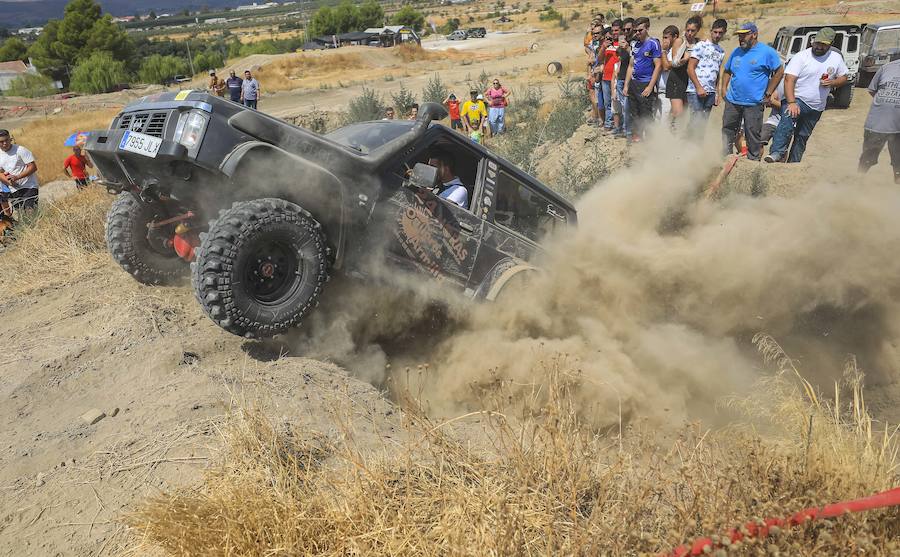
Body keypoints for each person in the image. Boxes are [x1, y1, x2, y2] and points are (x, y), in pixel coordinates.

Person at [764, 28, 848, 163]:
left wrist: (833, 82)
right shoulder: (802, 56)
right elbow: (789, 79)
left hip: (817, 106)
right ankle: (776, 153)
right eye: (817, 43)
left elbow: (844, 77)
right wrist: (791, 102)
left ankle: (794, 163)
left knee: (803, 135)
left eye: (823, 44)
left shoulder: (836, 58)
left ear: (830, 44)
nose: (819, 47)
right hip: (797, 99)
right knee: (786, 123)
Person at [721, 22, 784, 160]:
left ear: (754, 34)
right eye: (739, 36)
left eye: (744, 35)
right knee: (728, 130)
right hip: (733, 100)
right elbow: (727, 70)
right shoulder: (736, 52)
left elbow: (779, 71)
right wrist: (723, 89)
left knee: (753, 134)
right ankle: (725, 158)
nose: (741, 39)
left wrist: (769, 92)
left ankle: (752, 162)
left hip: (754, 102)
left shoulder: (767, 52)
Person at [858, 59, 900, 184]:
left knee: (899, 161)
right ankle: (857, 183)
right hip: (877, 123)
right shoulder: (887, 67)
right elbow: (872, 90)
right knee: (867, 157)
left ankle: (896, 191)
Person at [686, 18, 727, 139]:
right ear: (711, 31)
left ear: (724, 33)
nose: (717, 35)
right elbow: (690, 68)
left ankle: (697, 147)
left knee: (703, 122)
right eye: (715, 32)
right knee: (696, 119)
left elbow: (717, 72)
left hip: (710, 91)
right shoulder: (701, 46)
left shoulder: (721, 51)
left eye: (720, 33)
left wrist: (717, 93)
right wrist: (699, 87)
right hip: (695, 90)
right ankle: (686, 146)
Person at [624, 17, 662, 142]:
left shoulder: (653, 43)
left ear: (647, 28)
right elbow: (631, 65)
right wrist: (626, 85)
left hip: (646, 83)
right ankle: (637, 137)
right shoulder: (634, 44)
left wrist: (650, 86)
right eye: (635, 31)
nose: (637, 33)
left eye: (640, 30)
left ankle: (650, 140)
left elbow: (658, 66)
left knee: (646, 113)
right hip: (634, 83)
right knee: (634, 112)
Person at [666, 17, 701, 123]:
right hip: (676, 78)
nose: (689, 33)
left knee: (685, 112)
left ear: (697, 30)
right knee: (678, 112)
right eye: (688, 30)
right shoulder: (680, 41)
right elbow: (674, 63)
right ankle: (668, 131)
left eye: (693, 30)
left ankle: (675, 131)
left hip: (689, 80)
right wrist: (686, 58)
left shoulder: (698, 43)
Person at [0, 129, 39, 213]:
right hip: (14, 189)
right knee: (21, 215)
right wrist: (8, 182)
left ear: (10, 139)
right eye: (1, 141)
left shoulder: (20, 150)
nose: (5, 143)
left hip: (29, 186)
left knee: (30, 212)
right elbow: (0, 173)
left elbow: (33, 167)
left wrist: (17, 177)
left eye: (7, 140)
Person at [601, 25, 620, 131]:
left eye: (611, 36)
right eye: (607, 37)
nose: (609, 38)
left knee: (616, 102)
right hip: (606, 78)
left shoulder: (620, 45)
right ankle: (608, 124)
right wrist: (604, 47)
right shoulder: (605, 46)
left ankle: (618, 125)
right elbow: (599, 59)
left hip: (616, 77)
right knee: (607, 102)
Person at [658, 26, 679, 120]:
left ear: (675, 37)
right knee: (657, 119)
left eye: (666, 37)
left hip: (669, 92)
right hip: (659, 91)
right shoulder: (666, 51)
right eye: (663, 37)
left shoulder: (675, 52)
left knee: (665, 120)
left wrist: (663, 51)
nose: (664, 40)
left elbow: (666, 66)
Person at [614, 30, 632, 138]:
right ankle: (625, 129)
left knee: (627, 107)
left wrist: (627, 48)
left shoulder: (631, 49)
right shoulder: (621, 51)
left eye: (624, 40)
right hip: (621, 79)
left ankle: (627, 130)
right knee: (623, 106)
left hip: (627, 80)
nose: (622, 42)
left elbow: (633, 61)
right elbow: (619, 61)